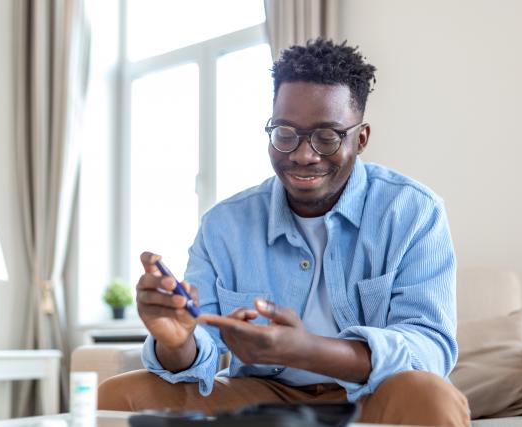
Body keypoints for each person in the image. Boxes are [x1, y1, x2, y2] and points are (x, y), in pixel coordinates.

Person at [98, 38, 470, 426]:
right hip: (262, 397)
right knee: (118, 396)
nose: (303, 154)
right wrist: (177, 342)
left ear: (361, 138)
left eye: (327, 136)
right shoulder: (224, 225)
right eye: (285, 132)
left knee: (431, 397)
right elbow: (199, 353)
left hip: (369, 395)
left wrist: (309, 351)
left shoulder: (412, 211)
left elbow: (429, 350)